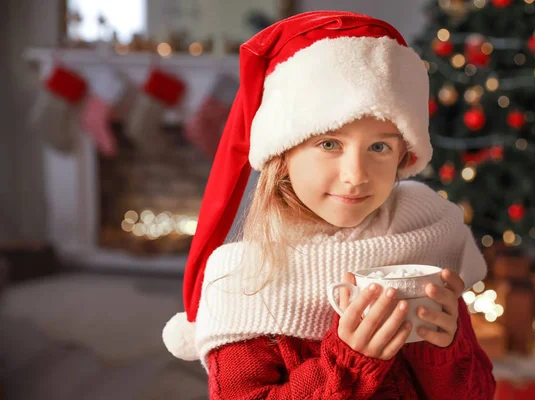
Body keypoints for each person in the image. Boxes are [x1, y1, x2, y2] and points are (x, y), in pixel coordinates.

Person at [163, 10, 496, 399]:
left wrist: (446, 348)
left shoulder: (426, 237)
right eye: (329, 144)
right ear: (283, 154)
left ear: (404, 154)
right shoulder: (244, 281)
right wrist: (349, 363)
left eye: (379, 146)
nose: (356, 175)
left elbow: (476, 393)